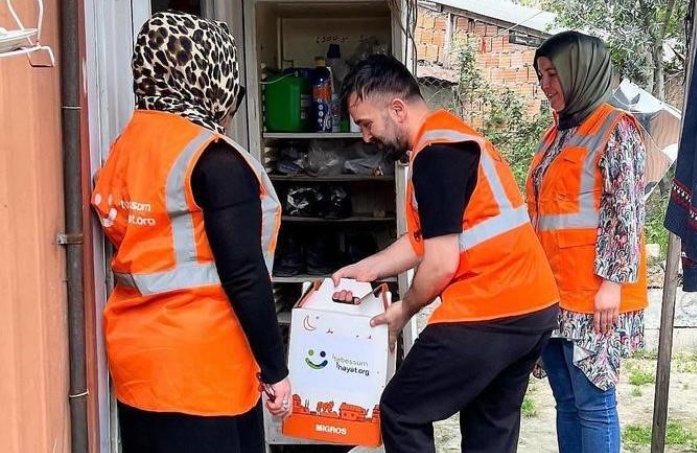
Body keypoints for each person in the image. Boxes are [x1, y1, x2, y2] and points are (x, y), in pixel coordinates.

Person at [330, 54, 560, 453]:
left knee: (401, 410)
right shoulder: (450, 139)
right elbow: (424, 240)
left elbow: (440, 263)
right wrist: (366, 269)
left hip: (489, 309)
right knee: (488, 428)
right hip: (532, 307)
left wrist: (404, 310)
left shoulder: (435, 156)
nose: (366, 137)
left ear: (397, 109)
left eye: (367, 124)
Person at [91, 12, 291, 453]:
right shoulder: (214, 159)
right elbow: (244, 274)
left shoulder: (126, 147)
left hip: (138, 360)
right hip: (204, 367)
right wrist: (276, 369)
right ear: (208, 75)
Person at [526, 31, 649, 453]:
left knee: (594, 403)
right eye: (540, 76)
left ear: (579, 71)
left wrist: (612, 285)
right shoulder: (557, 134)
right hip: (554, 293)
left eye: (553, 74)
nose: (546, 85)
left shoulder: (616, 129)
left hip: (596, 296)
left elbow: (625, 213)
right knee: (566, 401)